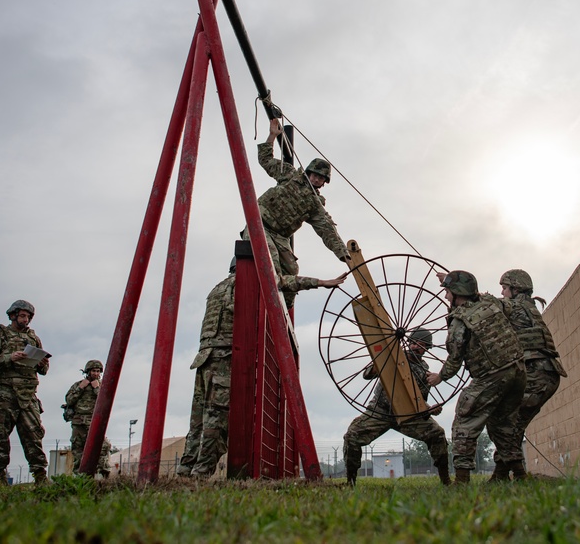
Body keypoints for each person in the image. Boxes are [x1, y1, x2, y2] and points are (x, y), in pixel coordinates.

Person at [176, 260, 347, 479]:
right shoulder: (248, 281)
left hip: (204, 360)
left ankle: (185, 470)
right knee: (217, 420)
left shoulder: (217, 288)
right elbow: (286, 282)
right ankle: (200, 474)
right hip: (225, 360)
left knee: (198, 421)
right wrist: (322, 282)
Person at [426, 271, 525, 485]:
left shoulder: (459, 321)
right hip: (518, 371)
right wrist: (451, 280)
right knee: (504, 425)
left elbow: (455, 357)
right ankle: (520, 475)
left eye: (447, 292)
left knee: (464, 421)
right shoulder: (491, 302)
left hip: (492, 375)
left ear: (456, 293)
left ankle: (461, 481)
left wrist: (439, 377)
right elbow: (491, 300)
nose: (445, 296)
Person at [241, 118, 349, 309]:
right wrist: (272, 136)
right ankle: (264, 305)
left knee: (292, 270)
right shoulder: (290, 175)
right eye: (314, 175)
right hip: (260, 225)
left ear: (324, 182)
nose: (316, 179)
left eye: (321, 178)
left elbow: (327, 230)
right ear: (308, 172)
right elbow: (265, 160)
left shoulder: (315, 205)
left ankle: (283, 310)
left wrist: (344, 255)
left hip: (280, 236)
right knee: (270, 261)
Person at [343, 328, 450, 486]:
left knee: (437, 434)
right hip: (380, 411)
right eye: (415, 344)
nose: (417, 348)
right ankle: (350, 482)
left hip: (408, 416)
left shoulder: (424, 372)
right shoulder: (392, 356)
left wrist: (430, 409)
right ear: (409, 342)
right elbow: (367, 375)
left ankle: (446, 480)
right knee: (352, 436)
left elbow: (419, 403)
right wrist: (384, 359)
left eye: (423, 347)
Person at [494, 269, 567, 481]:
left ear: (516, 289)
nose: (502, 292)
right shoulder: (528, 307)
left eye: (505, 288)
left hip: (539, 375)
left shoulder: (516, 307)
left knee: (510, 423)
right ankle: (506, 474)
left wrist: (458, 283)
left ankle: (510, 474)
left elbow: (487, 305)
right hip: (544, 374)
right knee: (513, 423)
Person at [0, 299, 50, 486]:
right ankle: (1, 479)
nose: (25, 319)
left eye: (28, 316)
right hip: (5, 392)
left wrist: (42, 363)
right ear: (13, 315)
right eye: (22, 315)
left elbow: (44, 371)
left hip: (28, 394)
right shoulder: (0, 335)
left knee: (34, 435)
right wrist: (9, 357)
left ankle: (40, 478)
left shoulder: (33, 338)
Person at [63, 360, 112, 477]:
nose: (95, 373)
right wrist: (80, 388)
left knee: (103, 447)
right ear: (87, 372)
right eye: (93, 371)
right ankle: (81, 477)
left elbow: (106, 402)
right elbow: (69, 400)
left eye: (98, 371)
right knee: (78, 450)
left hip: (94, 422)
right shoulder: (77, 385)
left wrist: (96, 389)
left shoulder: (102, 386)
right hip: (78, 423)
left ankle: (105, 474)